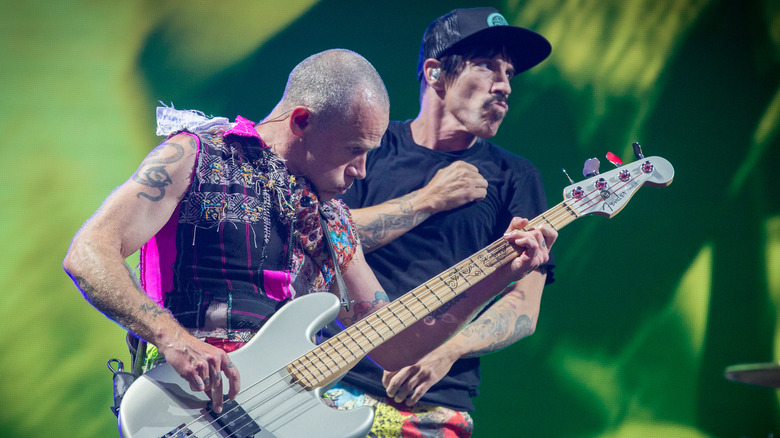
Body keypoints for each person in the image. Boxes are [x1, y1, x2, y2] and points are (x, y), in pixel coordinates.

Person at [62, 48, 556, 418]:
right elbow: (89, 252)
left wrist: (497, 277)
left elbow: (395, 347)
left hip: (278, 415)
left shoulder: (333, 219)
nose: (362, 171)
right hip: (179, 405)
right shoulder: (196, 155)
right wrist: (172, 337)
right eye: (354, 150)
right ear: (301, 121)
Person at [324, 8, 556, 437]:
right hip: (328, 382)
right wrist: (426, 200)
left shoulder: (517, 179)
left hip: (432, 404)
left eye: (508, 73)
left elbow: (525, 306)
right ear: (435, 73)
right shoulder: (370, 148)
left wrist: (444, 351)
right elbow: (322, 241)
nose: (504, 85)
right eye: (487, 66)